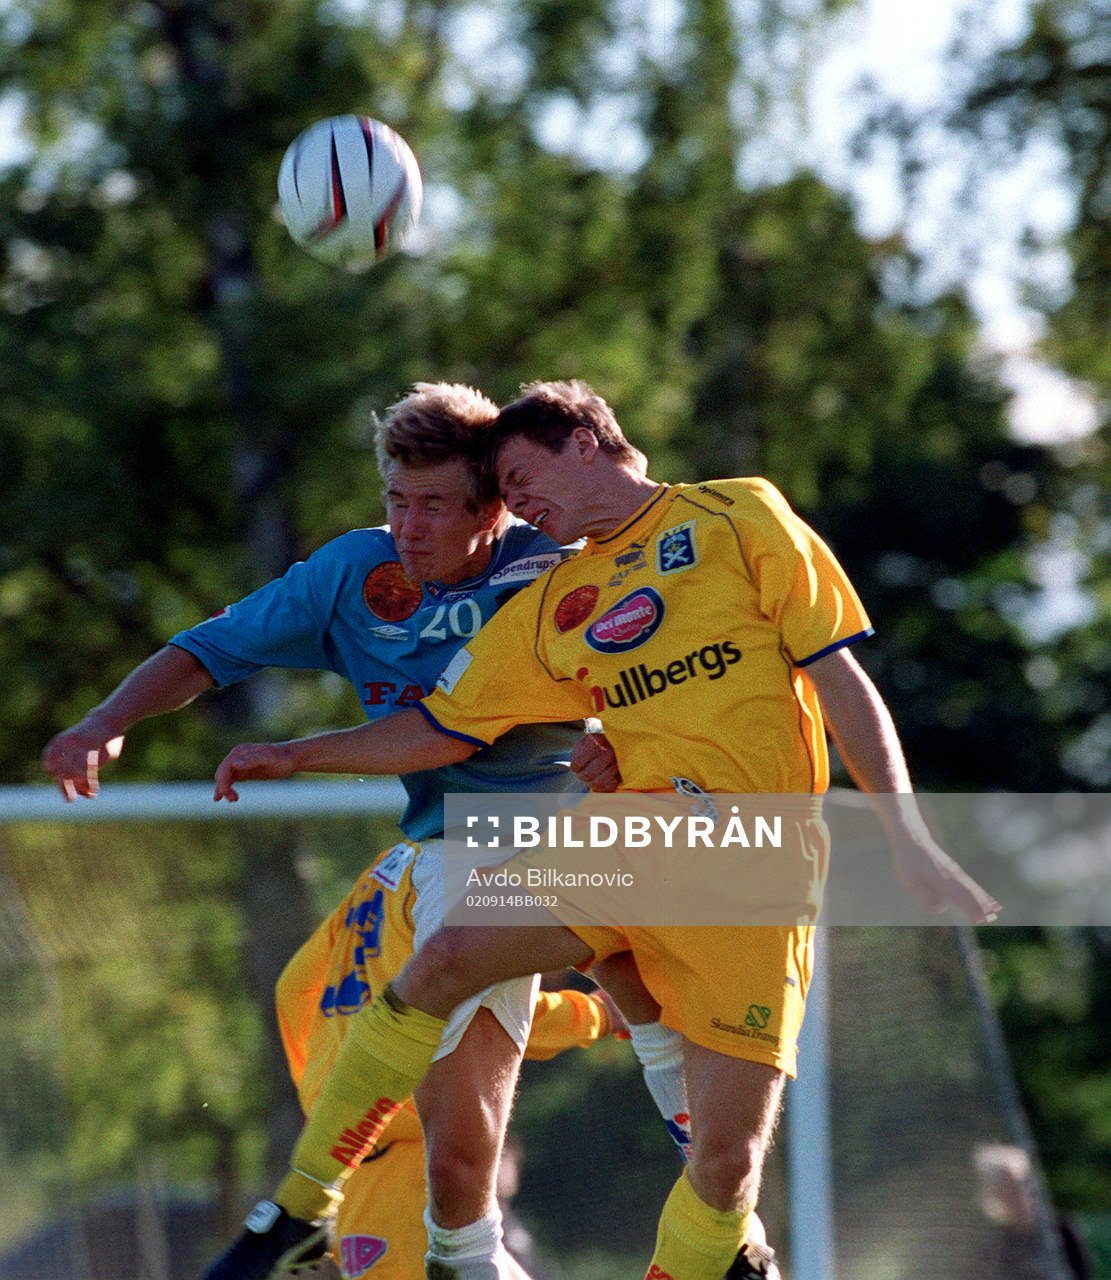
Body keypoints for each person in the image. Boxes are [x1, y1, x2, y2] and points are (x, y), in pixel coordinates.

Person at [211, 379, 1000, 1280]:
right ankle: (300, 1210)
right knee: (439, 958)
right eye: (502, 495)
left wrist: (907, 836)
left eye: (518, 478)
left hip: (751, 860)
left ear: (583, 441)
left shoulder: (737, 514)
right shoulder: (556, 598)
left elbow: (839, 678)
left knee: (725, 1167)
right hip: (627, 838)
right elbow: (441, 725)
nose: (516, 508)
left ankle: (724, 1254)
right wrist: (294, 753)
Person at [41, 382, 668, 1280]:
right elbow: (209, 649)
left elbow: (655, 663)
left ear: (489, 511)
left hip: (582, 833)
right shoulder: (351, 576)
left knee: (679, 1024)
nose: (409, 529)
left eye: (436, 508)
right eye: (396, 504)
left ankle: (729, 1239)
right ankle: (405, 1243)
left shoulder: (551, 565)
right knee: (458, 1167)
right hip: (456, 846)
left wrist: (615, 742)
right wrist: (105, 718)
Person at [278, 839, 627, 1279]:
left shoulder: (388, 866)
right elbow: (484, 1013)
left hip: (355, 1160)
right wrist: (595, 1014)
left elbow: (293, 987)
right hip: (416, 1163)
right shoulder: (463, 871)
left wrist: (329, 1095)